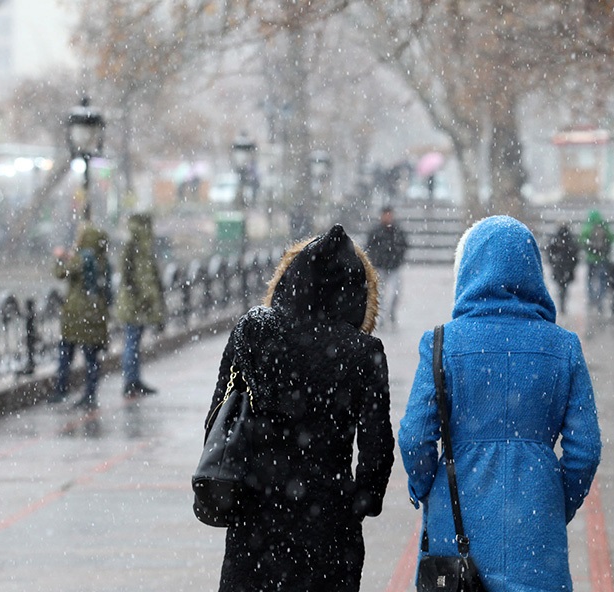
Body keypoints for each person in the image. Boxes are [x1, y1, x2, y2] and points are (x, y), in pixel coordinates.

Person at [399, 216, 602, 592]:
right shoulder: (563, 347)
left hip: (457, 523)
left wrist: (427, 486)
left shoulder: (442, 345)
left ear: (469, 271)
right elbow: (585, 450)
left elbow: (414, 437)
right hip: (536, 525)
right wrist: (557, 501)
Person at [205, 224, 395, 592]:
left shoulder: (253, 331)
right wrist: (361, 502)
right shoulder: (363, 352)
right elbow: (377, 447)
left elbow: (218, 417)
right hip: (328, 524)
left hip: (256, 514)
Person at [48, 221, 112, 410]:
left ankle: (61, 389)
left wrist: (60, 258)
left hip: (76, 315)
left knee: (66, 353)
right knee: (92, 357)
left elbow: (60, 273)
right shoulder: (103, 260)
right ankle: (90, 394)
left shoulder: (83, 258)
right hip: (95, 313)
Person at [115, 212, 166, 398]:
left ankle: (134, 380)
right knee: (131, 341)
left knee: (134, 342)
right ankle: (130, 381)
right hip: (134, 304)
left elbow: (149, 276)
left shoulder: (143, 247)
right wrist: (139, 297)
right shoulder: (134, 246)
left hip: (141, 304)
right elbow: (128, 276)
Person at [365, 206, 409, 327]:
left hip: (394, 266)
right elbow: (369, 247)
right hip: (380, 266)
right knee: (381, 293)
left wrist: (398, 258)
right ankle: (382, 317)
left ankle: (391, 313)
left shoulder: (398, 231)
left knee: (395, 293)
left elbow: (404, 245)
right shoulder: (375, 231)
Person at [580, 209, 614, 314]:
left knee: (590, 279)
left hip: (591, 258)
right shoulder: (604, 226)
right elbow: (612, 238)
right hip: (603, 258)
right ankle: (600, 300)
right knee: (602, 280)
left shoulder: (588, 227)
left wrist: (589, 249)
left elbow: (581, 240)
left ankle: (591, 298)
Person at [545, 222, 579, 315]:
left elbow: (549, 253)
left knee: (560, 286)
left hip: (559, 267)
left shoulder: (555, 239)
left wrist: (553, 262)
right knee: (564, 287)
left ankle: (561, 303)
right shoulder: (570, 240)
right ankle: (562, 303)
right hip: (566, 267)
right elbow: (575, 254)